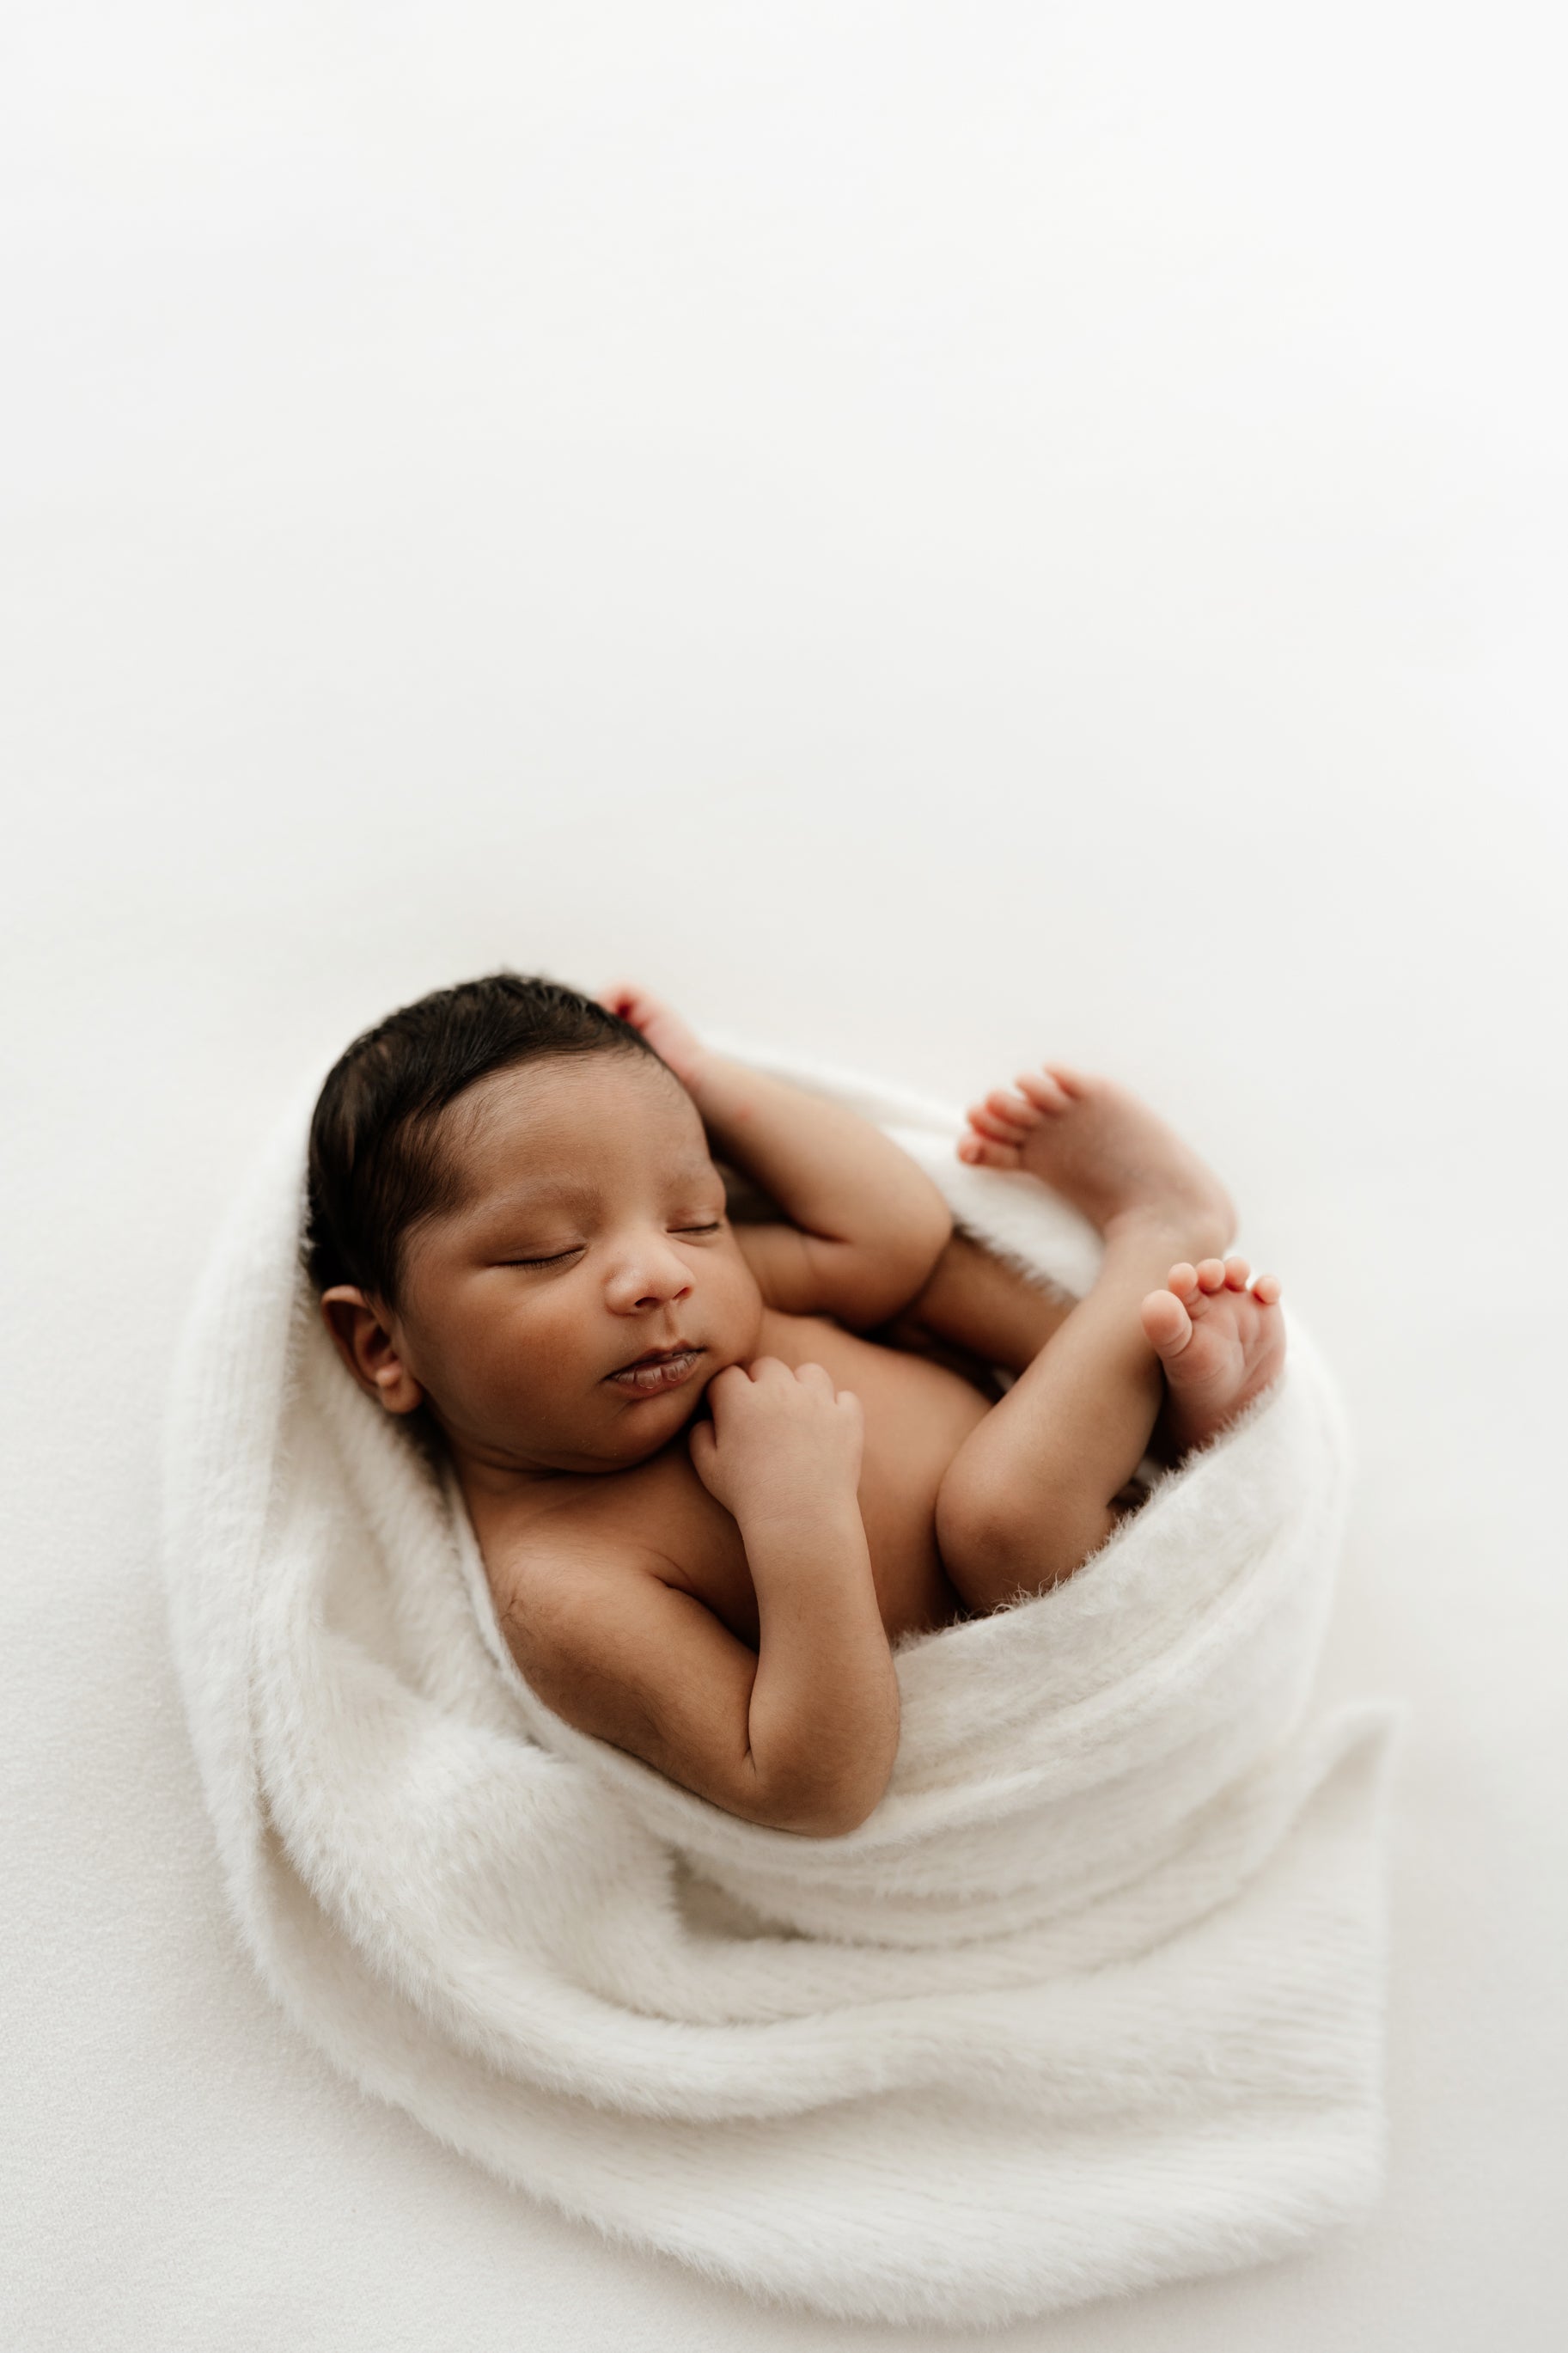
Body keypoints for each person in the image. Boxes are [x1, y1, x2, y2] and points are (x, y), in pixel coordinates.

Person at [308, 973, 1284, 1837]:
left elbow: (896, 1233)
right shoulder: (563, 1582)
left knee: (940, 1282)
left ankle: (1173, 1407)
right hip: (1050, 1593)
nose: (656, 1272)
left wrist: (714, 1085)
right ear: (385, 1346)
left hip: (1061, 1441)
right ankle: (1163, 1228)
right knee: (999, 1520)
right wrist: (798, 1517)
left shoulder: (718, 1294)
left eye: (696, 1215)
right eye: (547, 1251)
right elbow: (810, 1788)